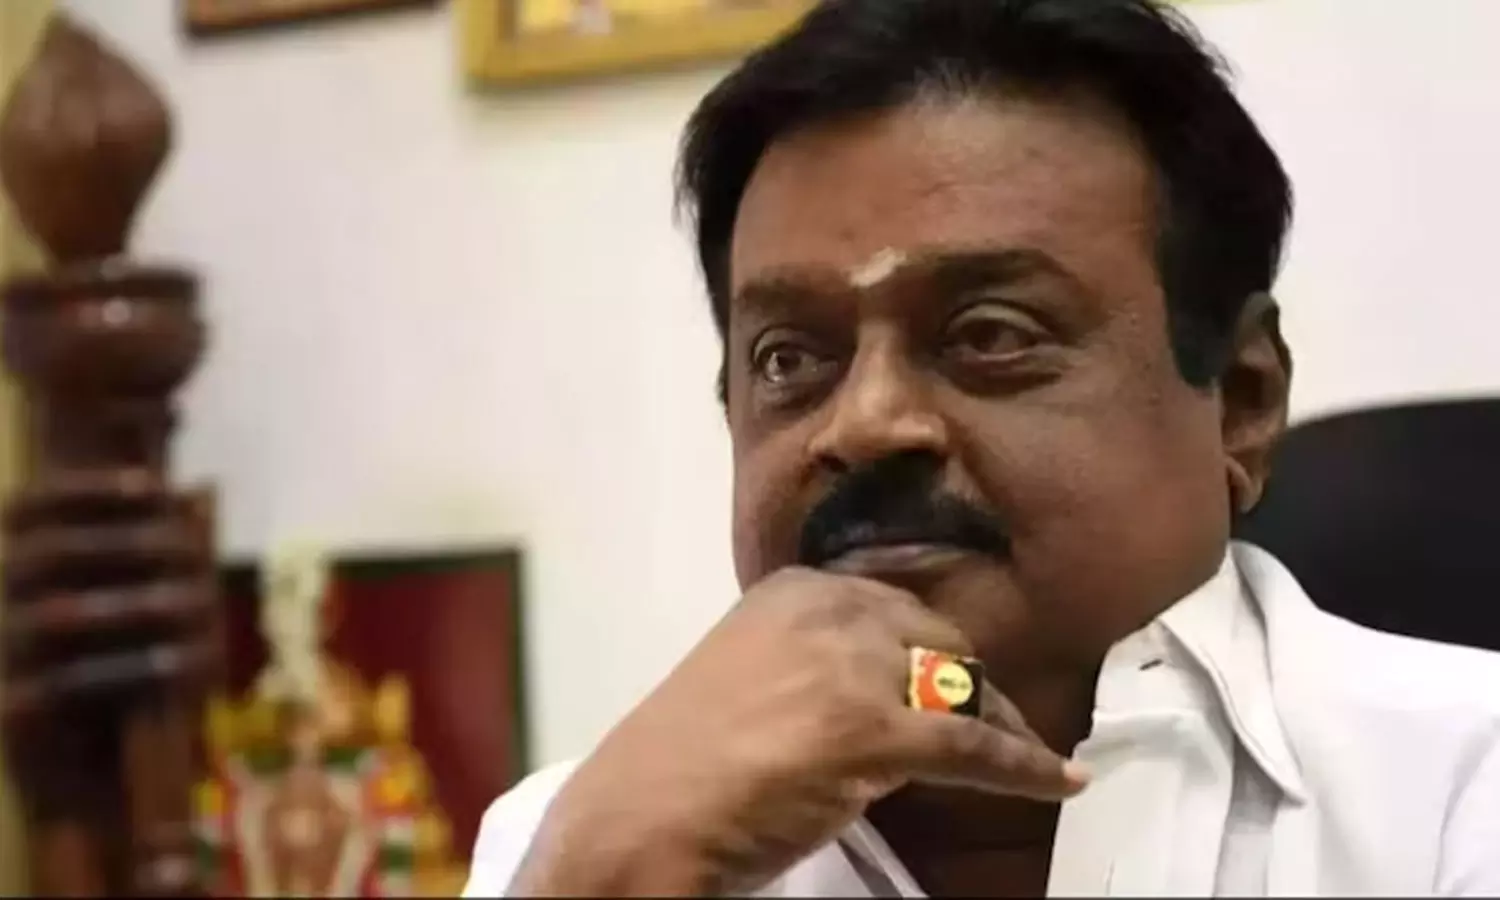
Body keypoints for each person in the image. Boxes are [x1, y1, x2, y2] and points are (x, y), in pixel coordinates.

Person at [464, 0, 1500, 895]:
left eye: (991, 335)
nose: (865, 423)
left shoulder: (1462, 791)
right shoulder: (582, 836)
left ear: (1241, 400)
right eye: (790, 359)